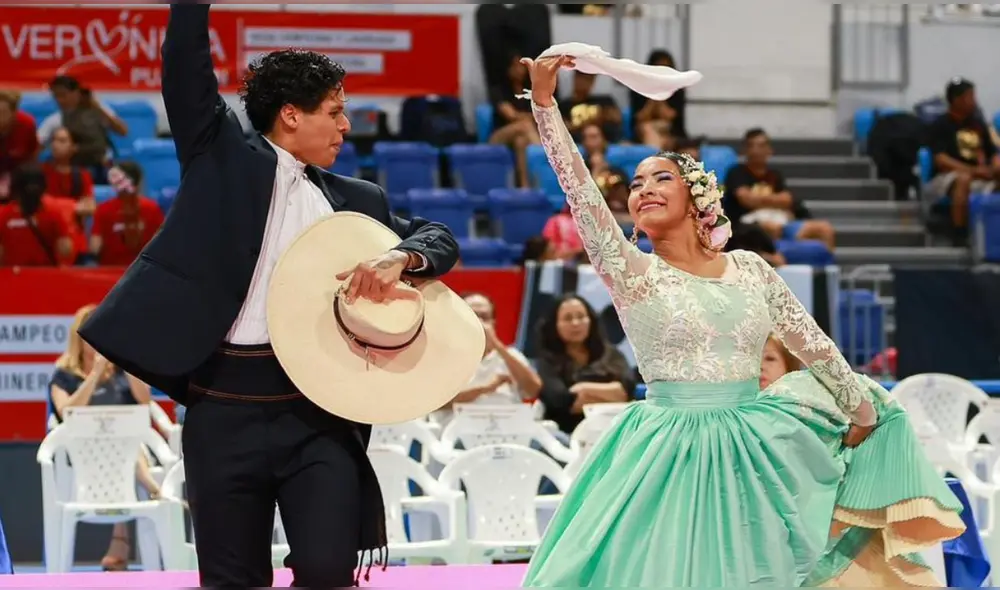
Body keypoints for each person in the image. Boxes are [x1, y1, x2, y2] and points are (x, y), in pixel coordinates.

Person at [518, 55, 964, 587]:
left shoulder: (750, 268)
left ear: (697, 196)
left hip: (755, 448)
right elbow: (582, 193)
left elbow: (815, 346)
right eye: (636, 184)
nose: (644, 189)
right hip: (666, 449)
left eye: (662, 176)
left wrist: (863, 412)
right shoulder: (631, 271)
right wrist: (546, 107)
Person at [78, 5, 458, 588]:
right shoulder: (220, 156)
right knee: (232, 580)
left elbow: (440, 238)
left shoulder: (359, 199)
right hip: (222, 406)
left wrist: (401, 257)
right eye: (334, 112)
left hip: (320, 412)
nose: (346, 126)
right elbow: (184, 67)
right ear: (289, 115)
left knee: (331, 572)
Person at [48, 304, 161, 571]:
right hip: (83, 452)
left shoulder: (121, 371)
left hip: (128, 448)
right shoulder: (64, 375)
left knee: (126, 445)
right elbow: (66, 412)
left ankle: (121, 540)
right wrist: (95, 375)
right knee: (123, 448)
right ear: (80, 338)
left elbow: (145, 401)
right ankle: (155, 489)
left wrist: (127, 361)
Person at [535, 294, 635, 435]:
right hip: (567, 432)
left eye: (581, 317)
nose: (575, 323)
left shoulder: (611, 354)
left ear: (591, 320)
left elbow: (626, 391)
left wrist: (583, 388)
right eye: (568, 318)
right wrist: (610, 396)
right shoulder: (547, 361)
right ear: (555, 325)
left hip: (614, 429)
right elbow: (560, 401)